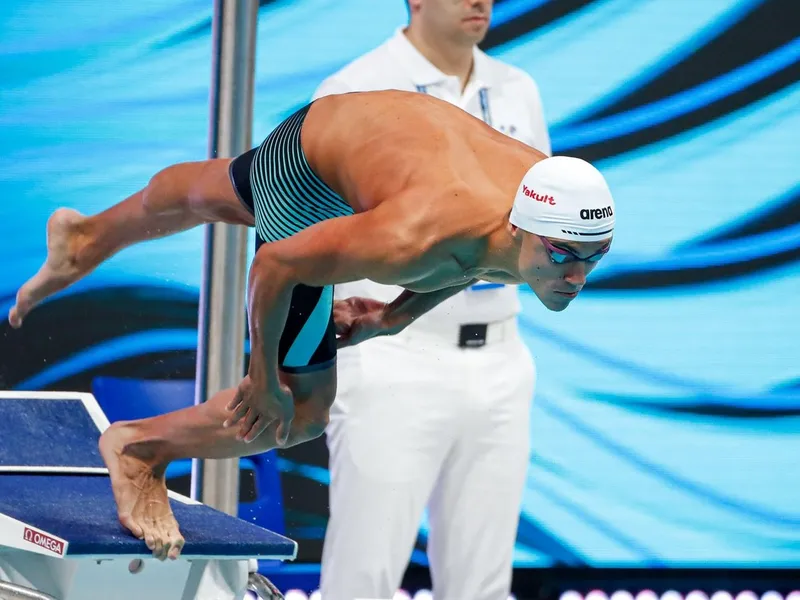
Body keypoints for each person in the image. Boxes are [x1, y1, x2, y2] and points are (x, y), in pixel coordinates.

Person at [8, 90, 615, 563]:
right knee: (300, 412)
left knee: (222, 189)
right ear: (521, 228)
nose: (579, 275)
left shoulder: (542, 217)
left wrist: (390, 318)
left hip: (349, 128)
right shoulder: (417, 237)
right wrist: (263, 374)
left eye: (596, 254)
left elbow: (478, 259)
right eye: (565, 255)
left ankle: (85, 237)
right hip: (312, 175)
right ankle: (139, 448)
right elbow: (276, 264)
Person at [310, 1, 551, 598]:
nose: (481, 1)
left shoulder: (518, 90)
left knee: (482, 587)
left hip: (500, 358)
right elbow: (306, 238)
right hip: (396, 354)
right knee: (362, 579)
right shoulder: (355, 89)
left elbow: (547, 230)